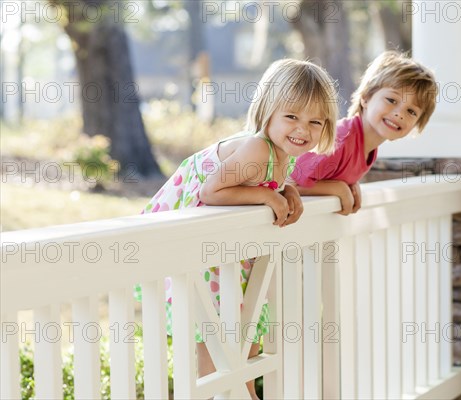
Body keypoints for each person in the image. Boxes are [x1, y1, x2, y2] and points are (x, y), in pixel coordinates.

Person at [135, 58, 338, 398]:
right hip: (197, 252)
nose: (302, 130)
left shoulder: (281, 151)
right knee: (216, 354)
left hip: (224, 257)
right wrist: (265, 195)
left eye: (314, 122)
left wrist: (286, 190)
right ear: (267, 112)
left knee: (243, 351)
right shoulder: (258, 148)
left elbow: (265, 183)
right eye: (292, 117)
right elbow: (211, 191)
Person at [289, 51, 438, 213]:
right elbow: (288, 182)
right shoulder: (340, 139)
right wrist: (338, 188)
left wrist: (348, 184)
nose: (399, 114)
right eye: (391, 100)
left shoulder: (368, 148)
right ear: (366, 97)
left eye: (411, 111)